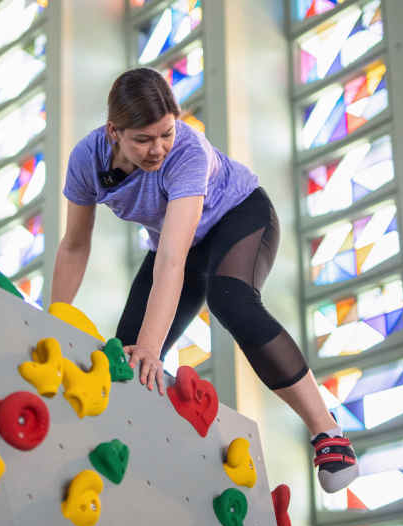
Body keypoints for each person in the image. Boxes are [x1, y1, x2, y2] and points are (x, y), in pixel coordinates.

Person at [50, 68, 358, 493]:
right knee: (122, 358)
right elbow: (74, 246)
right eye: (143, 139)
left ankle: (328, 433)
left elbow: (172, 262)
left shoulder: (188, 151)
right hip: (180, 246)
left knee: (229, 299)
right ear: (113, 132)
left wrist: (154, 351)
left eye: (165, 133)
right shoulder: (87, 160)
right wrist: (54, 316)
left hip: (239, 217)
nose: (158, 149)